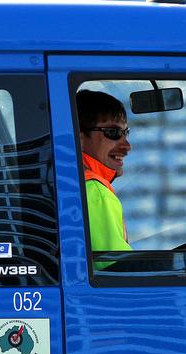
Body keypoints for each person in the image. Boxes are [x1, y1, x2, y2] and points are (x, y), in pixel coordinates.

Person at [76, 90, 132, 256]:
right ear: (78, 139)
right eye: (113, 133)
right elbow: (119, 270)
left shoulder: (63, 182)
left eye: (126, 133)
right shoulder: (94, 191)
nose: (127, 146)